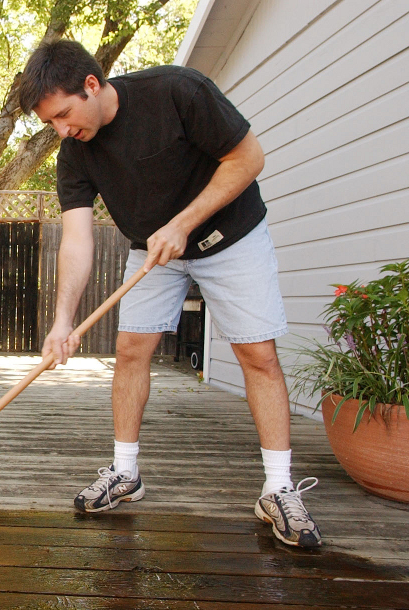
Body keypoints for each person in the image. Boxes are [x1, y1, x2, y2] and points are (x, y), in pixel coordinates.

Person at [18, 40, 321, 548]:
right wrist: (62, 322)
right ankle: (125, 472)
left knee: (257, 354)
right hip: (153, 251)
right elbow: (76, 238)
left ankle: (279, 488)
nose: (63, 131)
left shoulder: (176, 92)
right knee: (130, 350)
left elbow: (249, 157)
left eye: (65, 115)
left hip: (231, 236)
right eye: (51, 123)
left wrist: (184, 223)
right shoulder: (74, 152)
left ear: (92, 85)